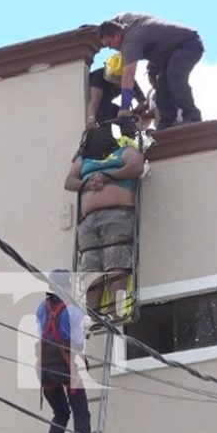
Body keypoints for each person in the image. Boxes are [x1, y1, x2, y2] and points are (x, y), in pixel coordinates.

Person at [65, 127, 144, 316]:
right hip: (89, 222)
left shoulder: (123, 151)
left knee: (116, 264)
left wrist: (108, 176)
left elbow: (136, 166)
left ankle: (115, 311)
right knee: (91, 269)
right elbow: (69, 181)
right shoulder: (84, 160)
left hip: (117, 215)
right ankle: (94, 315)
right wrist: (87, 183)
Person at [97, 13, 204, 130]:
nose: (110, 48)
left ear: (117, 35)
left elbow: (128, 76)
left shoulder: (131, 42)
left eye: (109, 43)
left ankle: (192, 116)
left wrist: (124, 107)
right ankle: (166, 124)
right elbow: (119, 17)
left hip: (188, 45)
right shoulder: (127, 22)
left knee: (174, 75)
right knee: (162, 88)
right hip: (170, 54)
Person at [36, 269, 91, 433]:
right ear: (67, 286)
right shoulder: (73, 311)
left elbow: (41, 334)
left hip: (44, 370)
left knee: (60, 412)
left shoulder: (41, 309)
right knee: (81, 413)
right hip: (65, 367)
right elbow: (76, 342)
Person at [87, 53, 146, 129]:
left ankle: (128, 135)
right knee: (104, 106)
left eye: (119, 81)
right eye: (113, 79)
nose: (116, 84)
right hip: (101, 106)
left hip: (110, 106)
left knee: (125, 117)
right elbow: (95, 99)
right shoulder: (99, 76)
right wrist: (91, 118)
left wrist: (132, 112)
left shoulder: (129, 80)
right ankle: (104, 134)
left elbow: (142, 101)